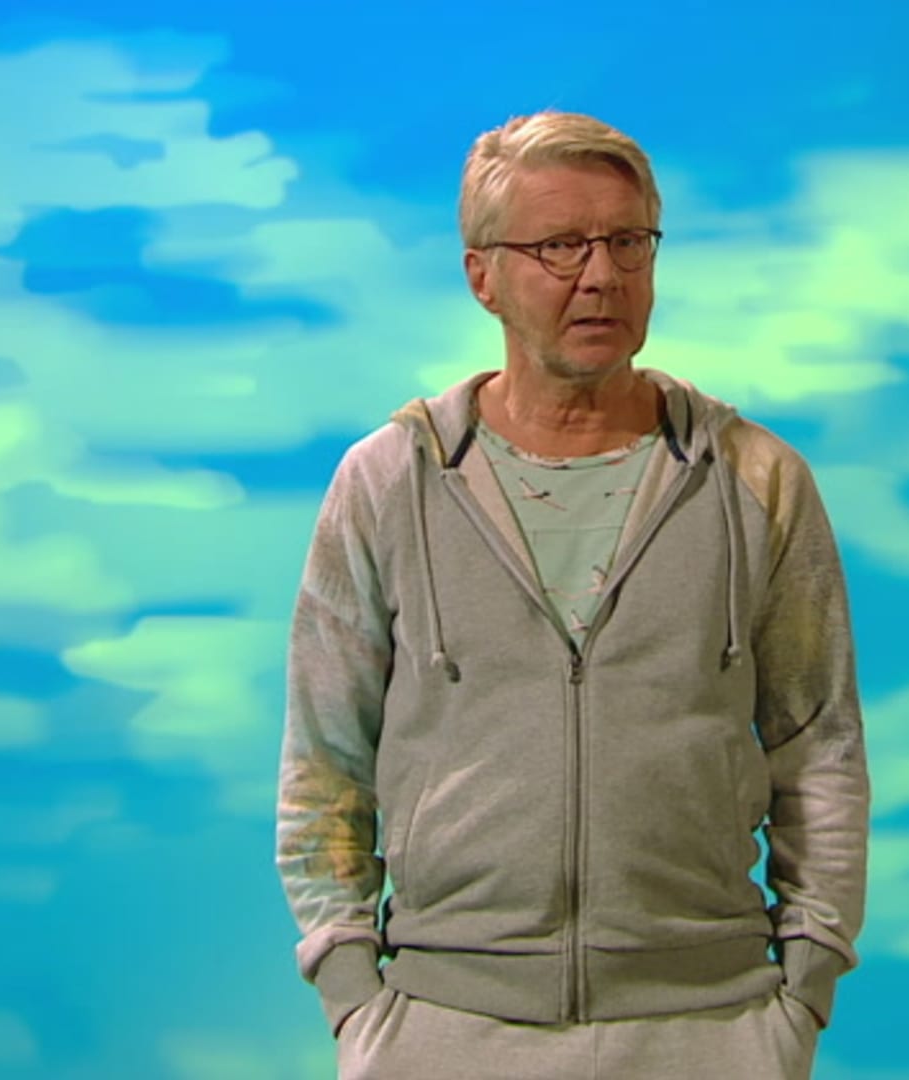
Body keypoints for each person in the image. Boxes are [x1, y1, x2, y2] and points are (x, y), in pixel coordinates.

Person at [275, 109, 869, 1080]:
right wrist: (355, 1000)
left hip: (713, 1026)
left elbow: (821, 749)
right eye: (560, 246)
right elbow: (324, 764)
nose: (601, 276)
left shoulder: (758, 480)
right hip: (442, 1028)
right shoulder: (388, 483)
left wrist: (802, 990)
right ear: (482, 276)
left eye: (628, 242)